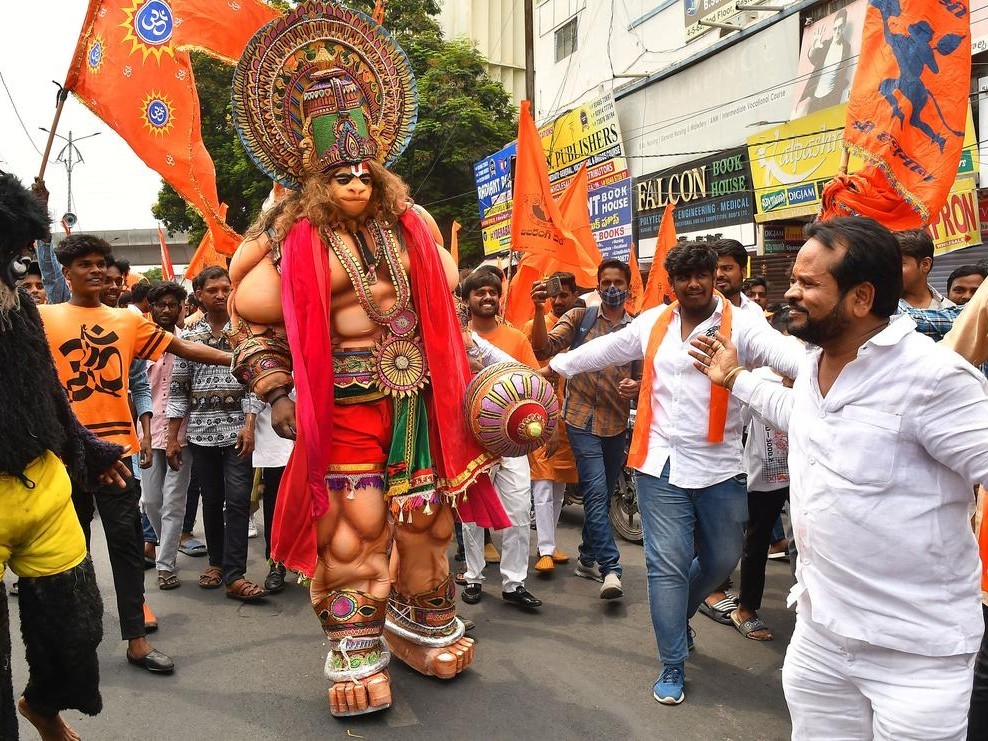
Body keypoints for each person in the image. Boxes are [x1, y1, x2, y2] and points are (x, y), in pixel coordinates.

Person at [226, 3, 506, 717]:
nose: (354, 179)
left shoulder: (406, 228)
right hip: (344, 404)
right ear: (314, 172)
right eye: (340, 169)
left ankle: (423, 616)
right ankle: (354, 641)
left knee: (428, 519)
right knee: (355, 519)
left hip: (415, 402)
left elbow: (447, 291)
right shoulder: (295, 236)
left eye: (364, 167)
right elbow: (247, 311)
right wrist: (275, 384)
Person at [692, 216, 987, 738]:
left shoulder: (933, 379)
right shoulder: (815, 364)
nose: (791, 292)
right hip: (820, 634)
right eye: (794, 281)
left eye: (808, 283)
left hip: (915, 655)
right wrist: (733, 377)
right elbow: (801, 416)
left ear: (861, 297)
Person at [548, 242, 800, 705]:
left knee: (724, 558)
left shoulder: (744, 325)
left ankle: (680, 612)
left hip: (720, 465)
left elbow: (786, 355)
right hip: (657, 463)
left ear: (714, 277)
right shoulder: (654, 323)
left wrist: (832, 372)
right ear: (673, 284)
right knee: (666, 567)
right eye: (684, 278)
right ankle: (672, 660)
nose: (695, 284)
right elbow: (601, 350)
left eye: (703, 275)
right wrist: (554, 365)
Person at [38, 233, 232, 675]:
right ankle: (75, 642)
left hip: (116, 457)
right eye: (84, 263)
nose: (96, 270)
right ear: (66, 273)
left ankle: (137, 642)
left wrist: (239, 360)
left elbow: (183, 347)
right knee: (70, 552)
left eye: (101, 263)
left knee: (126, 549)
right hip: (65, 456)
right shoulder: (43, 318)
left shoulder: (128, 321)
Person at [0, 171, 127, 741]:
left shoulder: (18, 305)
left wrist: (92, 448)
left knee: (75, 628)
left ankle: (45, 705)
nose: (19, 264)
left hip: (43, 484)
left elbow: (48, 389)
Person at [532, 258, 640, 601]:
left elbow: (643, 375)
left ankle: (588, 557)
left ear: (628, 288)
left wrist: (634, 385)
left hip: (614, 422)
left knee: (603, 493)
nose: (612, 288)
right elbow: (543, 348)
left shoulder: (636, 330)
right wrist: (537, 309)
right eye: (605, 282)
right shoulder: (580, 318)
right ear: (597, 286)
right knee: (595, 492)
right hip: (579, 420)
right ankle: (611, 569)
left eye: (618, 283)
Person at [166, 266, 266, 602]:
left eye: (226, 288)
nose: (221, 295)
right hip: (200, 434)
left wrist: (250, 424)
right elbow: (178, 390)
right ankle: (216, 563)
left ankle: (235, 574)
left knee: (238, 501)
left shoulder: (246, 334)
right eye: (213, 290)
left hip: (239, 432)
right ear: (199, 294)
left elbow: (255, 382)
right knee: (210, 500)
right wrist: (172, 437)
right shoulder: (187, 340)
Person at [459, 270, 542, 609]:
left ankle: (514, 583)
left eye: (494, 291)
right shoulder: (455, 338)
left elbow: (530, 378)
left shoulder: (505, 341)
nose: (488, 297)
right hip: (470, 438)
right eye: (480, 292)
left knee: (520, 510)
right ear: (467, 301)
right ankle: (474, 576)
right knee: (471, 515)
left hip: (511, 440)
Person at [731, 308, 798, 642]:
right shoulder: (756, 379)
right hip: (766, 473)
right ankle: (746, 608)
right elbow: (739, 419)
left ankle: (812, 609)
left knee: (806, 540)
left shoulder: (818, 377)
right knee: (757, 539)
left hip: (804, 472)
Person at [525, 271, 579, 573]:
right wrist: (537, 309)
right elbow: (534, 362)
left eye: (564, 295)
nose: (559, 301)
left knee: (559, 486)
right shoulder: (534, 327)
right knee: (544, 484)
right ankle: (544, 549)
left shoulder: (581, 330)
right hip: (541, 416)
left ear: (574, 296)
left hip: (571, 420)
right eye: (554, 296)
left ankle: (550, 542)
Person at [140, 281, 192, 591]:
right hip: (146, 434)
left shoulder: (189, 344)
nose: (167, 310)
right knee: (149, 500)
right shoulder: (140, 345)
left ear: (181, 308)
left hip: (181, 435)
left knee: (173, 501)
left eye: (173, 305)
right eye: (161, 305)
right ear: (151, 307)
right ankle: (167, 545)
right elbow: (135, 389)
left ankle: (166, 564)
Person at [896, 229, 954, 309]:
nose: (891, 270)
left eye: (898, 263)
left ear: (925, 264)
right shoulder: (879, 310)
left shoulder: (950, 310)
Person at [715, 239, 765, 318]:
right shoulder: (700, 311)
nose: (718, 275)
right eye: (714, 269)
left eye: (727, 268)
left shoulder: (755, 311)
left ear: (743, 272)